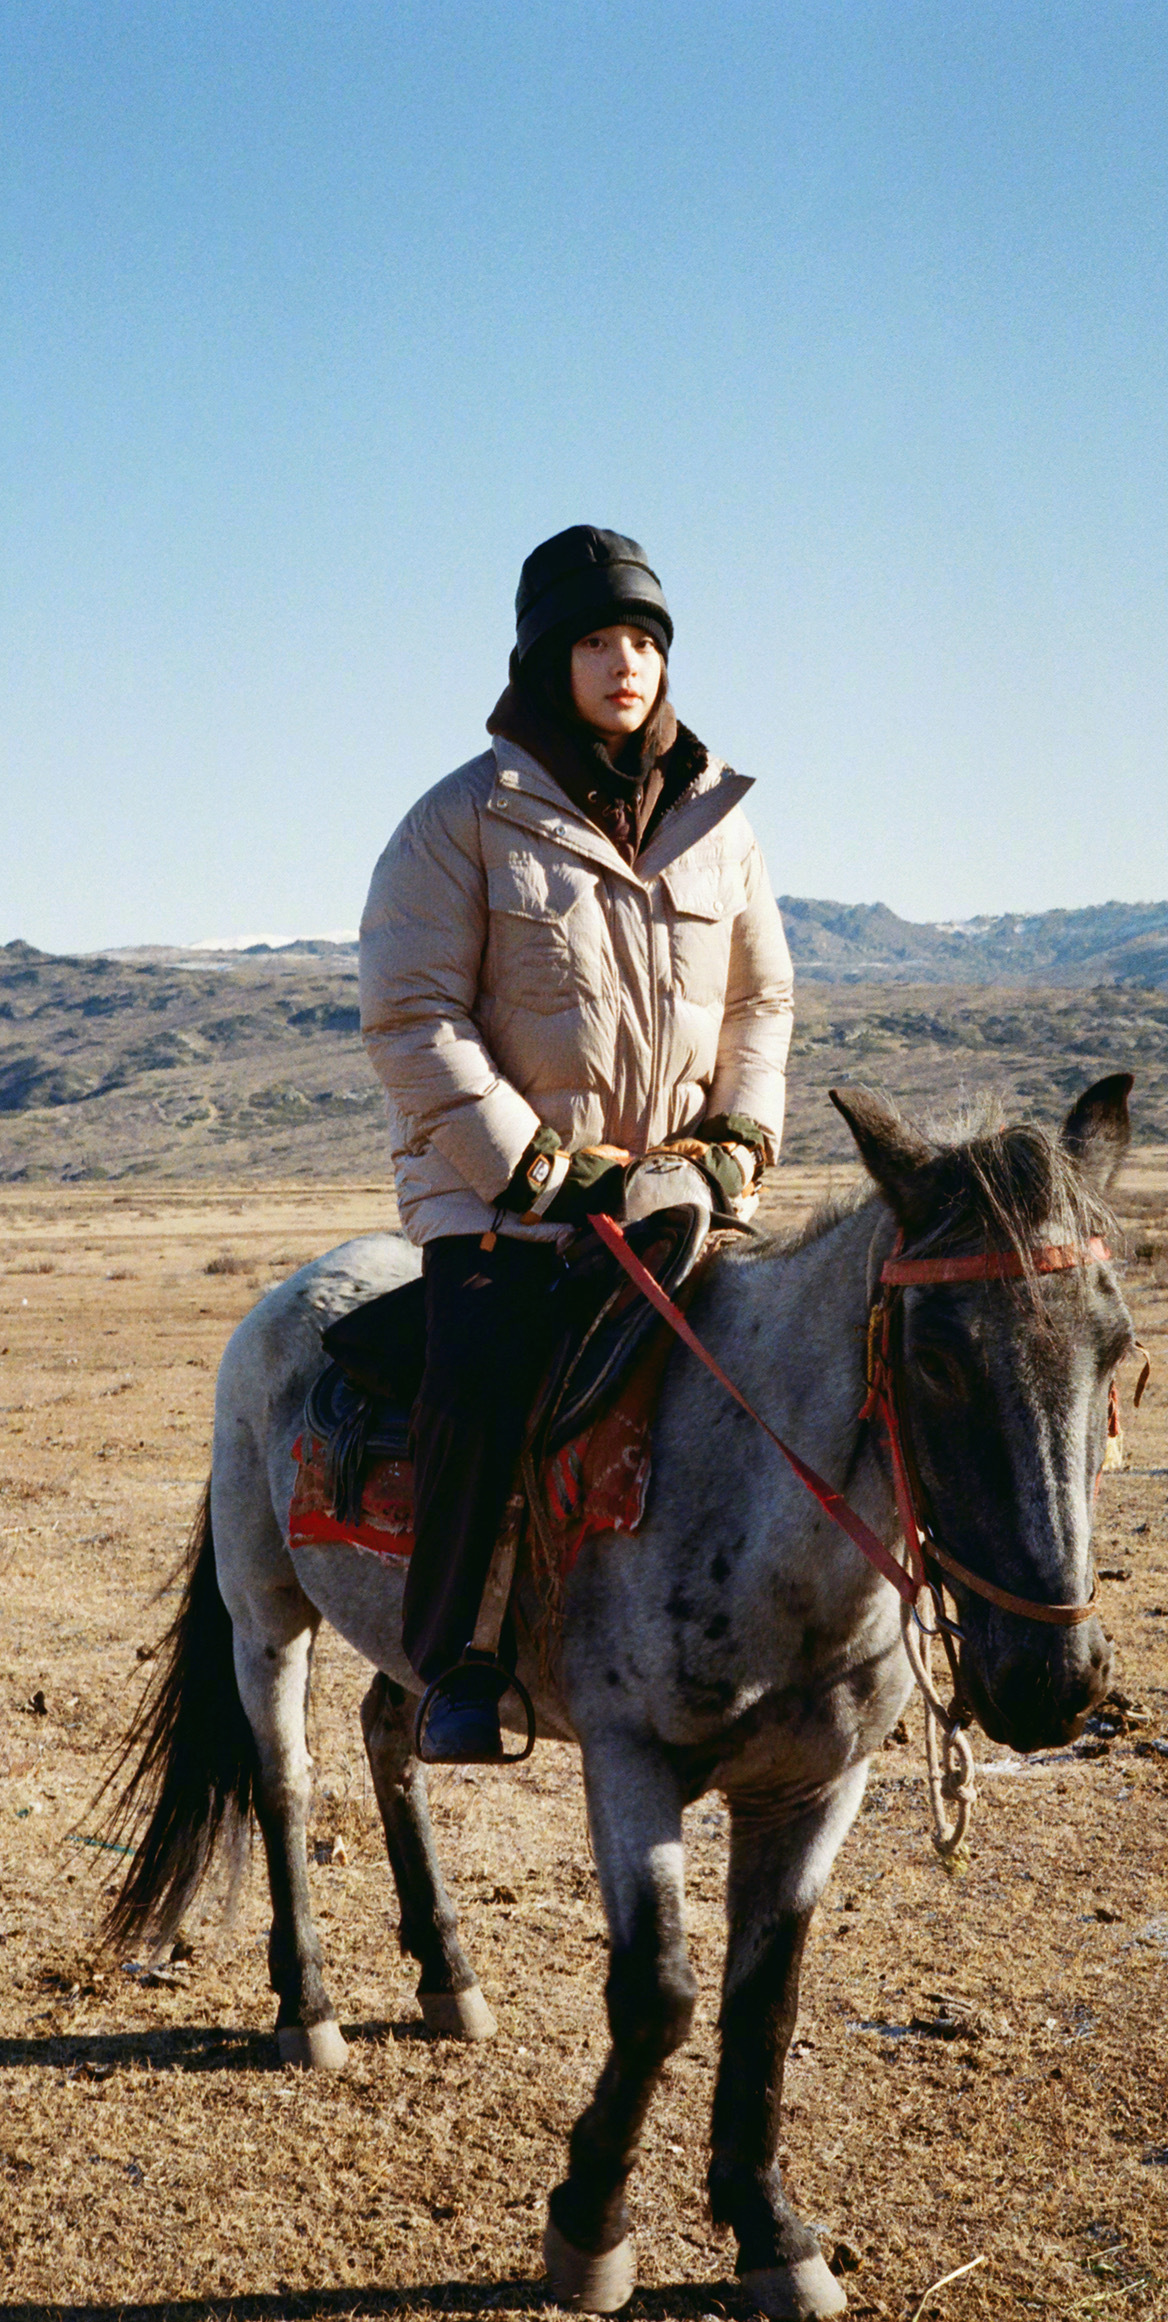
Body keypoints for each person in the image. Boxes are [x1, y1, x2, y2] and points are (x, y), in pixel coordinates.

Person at [358, 524, 794, 1759]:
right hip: (501, 1208)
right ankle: (457, 1659)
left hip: (680, 1194)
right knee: (482, 1380)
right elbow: (410, 1014)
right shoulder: (461, 822)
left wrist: (740, 1137)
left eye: (646, 640)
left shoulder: (721, 823)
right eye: (598, 640)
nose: (627, 663)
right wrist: (535, 1168)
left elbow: (764, 1002)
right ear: (548, 659)